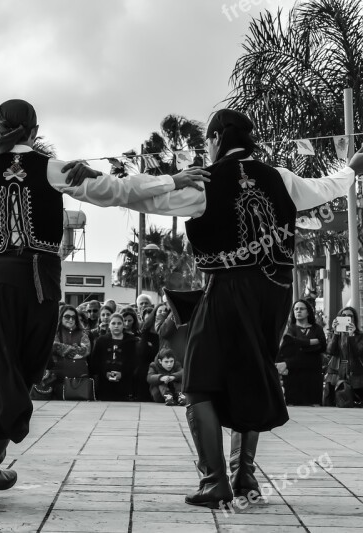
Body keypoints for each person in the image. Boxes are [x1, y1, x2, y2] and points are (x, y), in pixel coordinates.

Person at [0, 99, 210, 508]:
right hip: (38, 292)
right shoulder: (54, 169)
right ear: (35, 128)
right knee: (20, 380)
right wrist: (173, 179)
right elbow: (118, 191)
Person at [123, 108, 363, 508]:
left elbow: (148, 198)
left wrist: (118, 184)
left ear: (216, 140)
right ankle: (244, 473)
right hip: (275, 292)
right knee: (251, 371)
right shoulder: (280, 177)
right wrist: (352, 168)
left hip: (229, 289)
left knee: (198, 383)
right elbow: (326, 188)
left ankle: (215, 480)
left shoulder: (204, 182)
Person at [276, 300, 326, 406]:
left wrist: (299, 346)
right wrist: (311, 342)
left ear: (308, 312)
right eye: (296, 309)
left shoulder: (317, 328)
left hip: (313, 374)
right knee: (294, 406)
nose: (298, 311)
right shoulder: (290, 328)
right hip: (294, 376)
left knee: (315, 408)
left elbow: (322, 347)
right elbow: (289, 344)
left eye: (301, 309)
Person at [89, 313, 137, 401]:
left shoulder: (131, 341)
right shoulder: (101, 341)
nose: (116, 326)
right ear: (109, 325)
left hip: (124, 383)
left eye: (119, 323)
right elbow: (95, 361)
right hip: (104, 383)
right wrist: (105, 373)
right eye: (113, 323)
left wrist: (122, 373)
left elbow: (133, 361)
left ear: (123, 325)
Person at [323, 307, 363, 406]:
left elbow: (358, 352)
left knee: (355, 399)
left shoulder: (359, 335)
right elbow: (329, 351)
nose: (346, 317)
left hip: (353, 370)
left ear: (354, 319)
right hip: (335, 370)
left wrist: (351, 335)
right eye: (343, 315)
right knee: (332, 399)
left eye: (350, 316)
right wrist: (335, 333)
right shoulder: (333, 334)